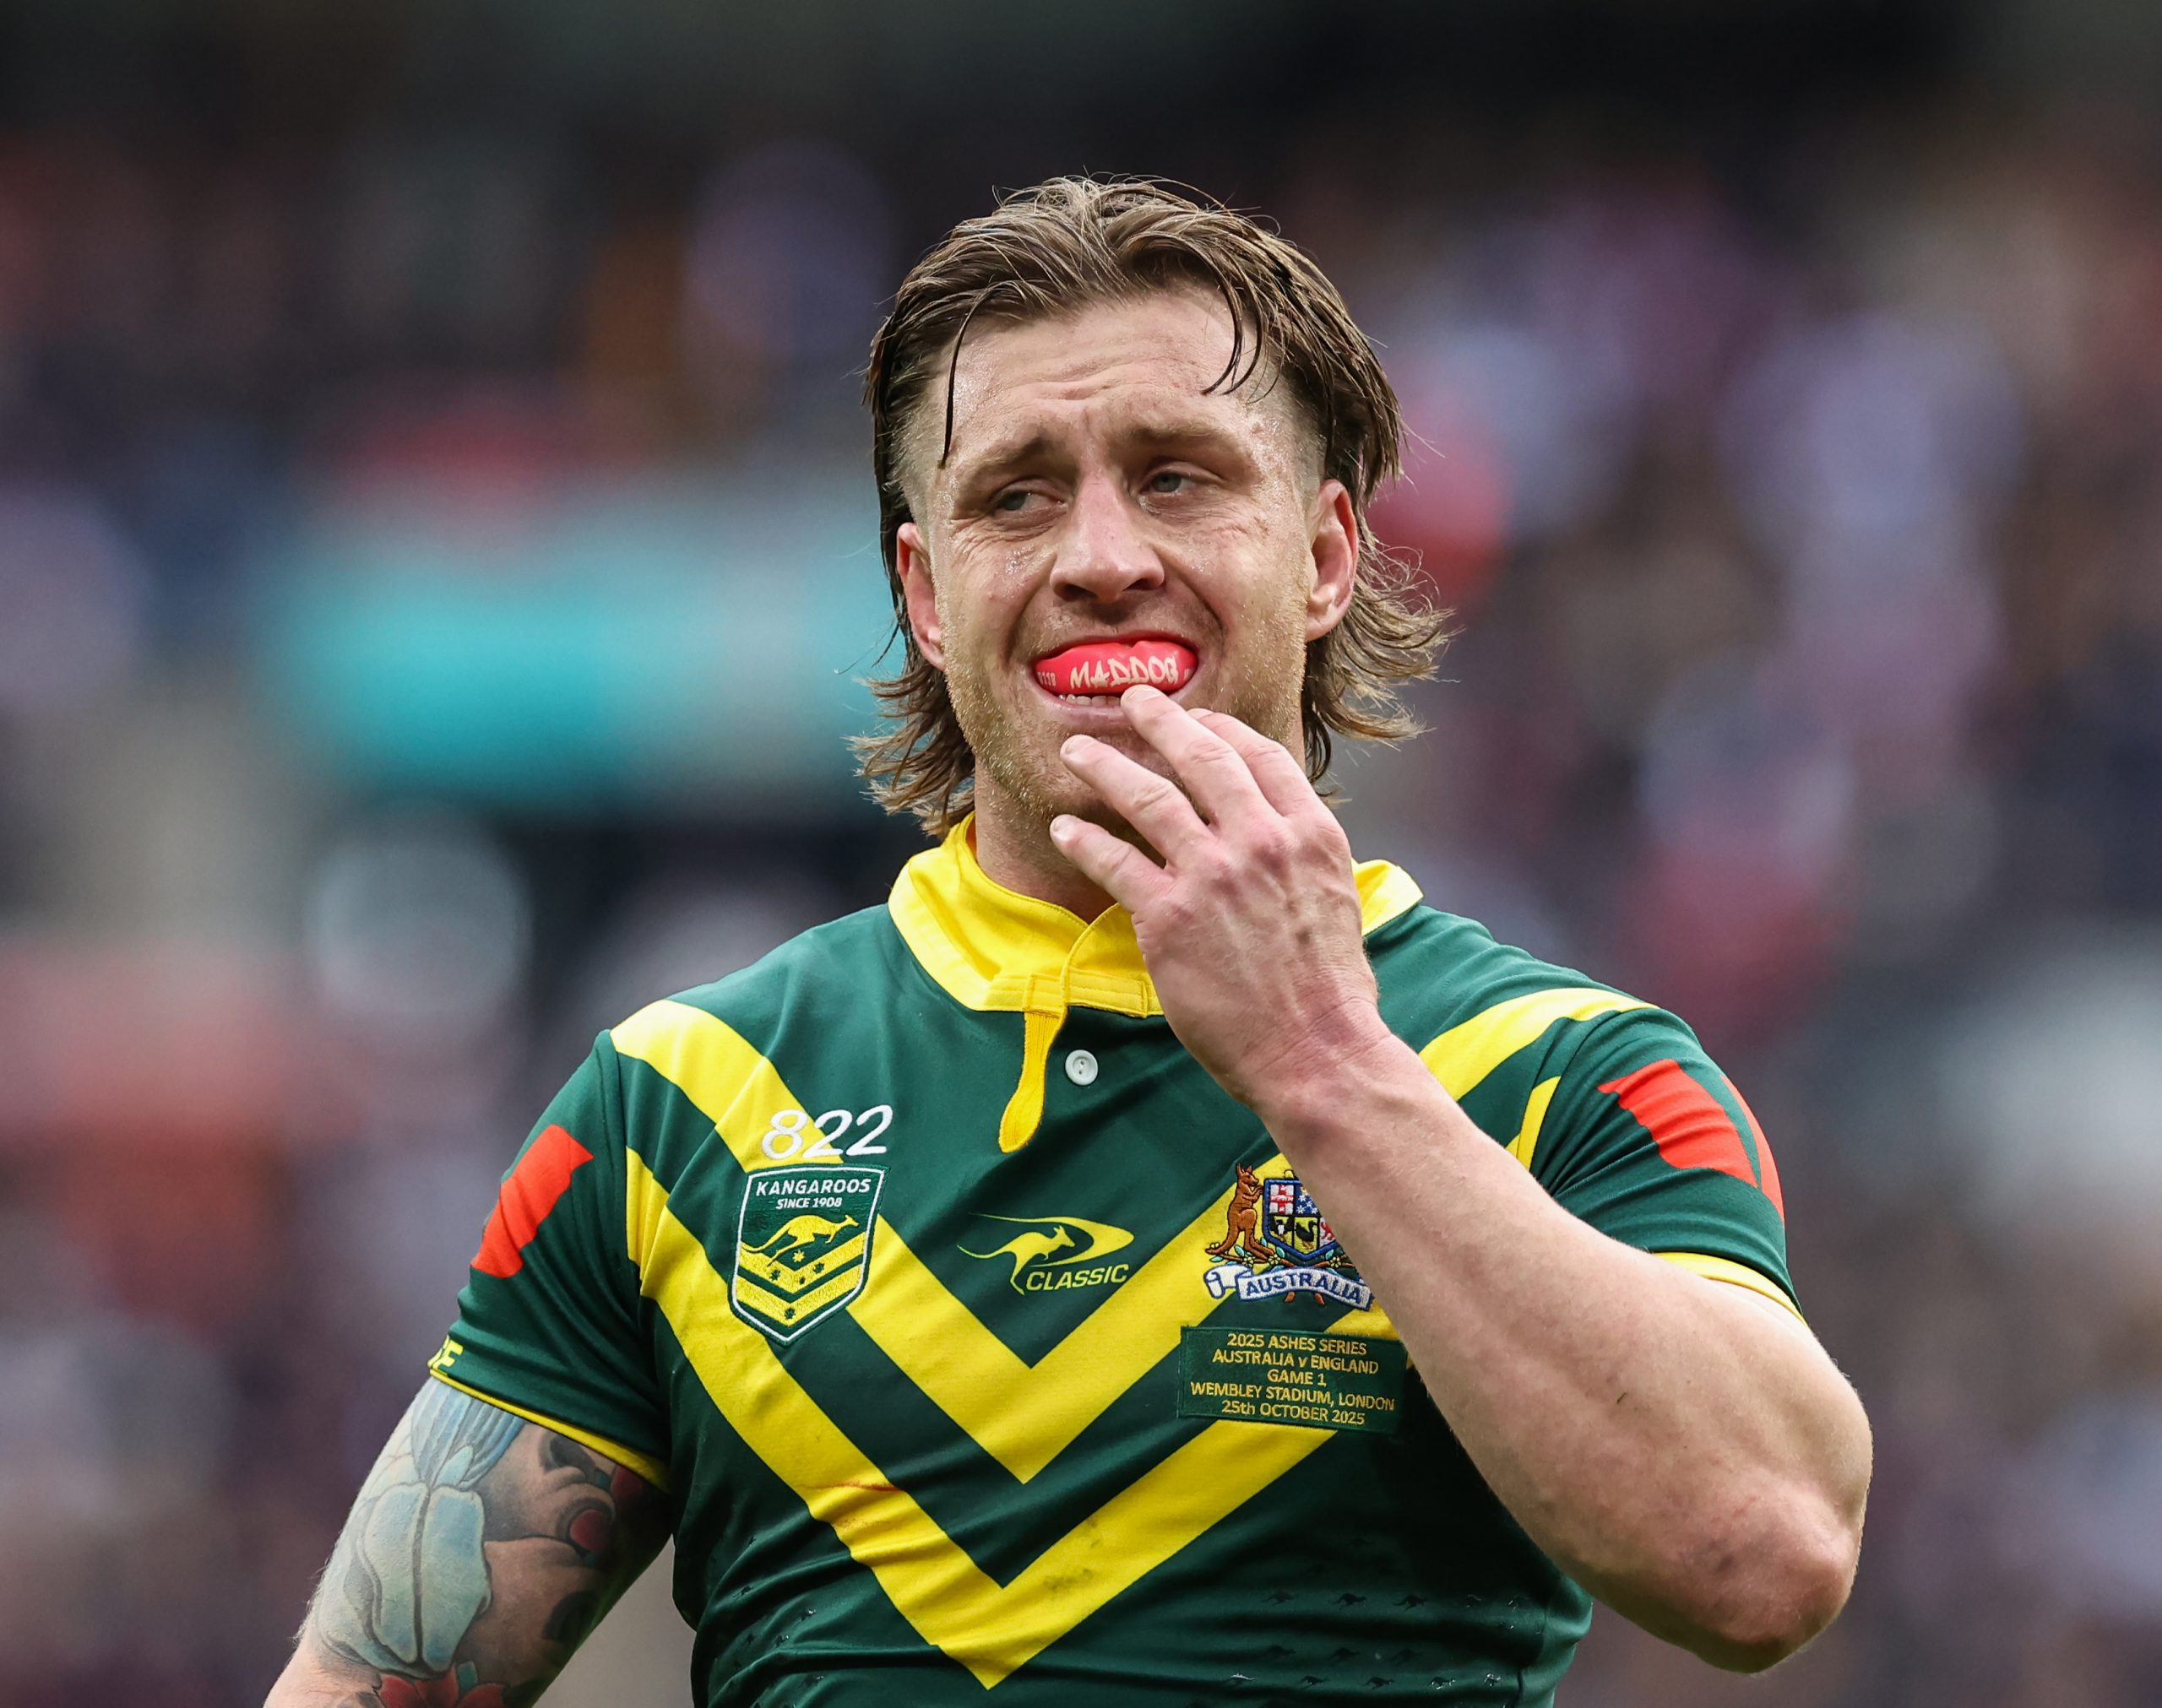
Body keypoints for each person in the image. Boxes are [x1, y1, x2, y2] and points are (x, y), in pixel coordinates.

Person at [267, 176, 1870, 1708]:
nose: (1101, 556)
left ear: (1323, 557)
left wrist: (1319, 1060)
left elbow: (1764, 1556)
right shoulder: (675, 1106)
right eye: (1015, 494)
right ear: (922, 586)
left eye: (1178, 474)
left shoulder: (1569, 1078)